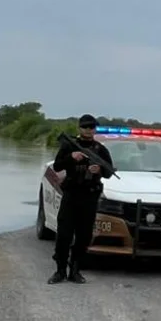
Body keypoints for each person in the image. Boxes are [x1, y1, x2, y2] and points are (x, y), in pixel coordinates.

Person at [49, 114, 114, 285]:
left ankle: (75, 270)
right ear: (79, 128)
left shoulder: (100, 149)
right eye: (85, 127)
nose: (89, 130)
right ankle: (60, 270)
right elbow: (57, 166)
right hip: (71, 196)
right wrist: (71, 158)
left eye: (92, 127)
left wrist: (98, 170)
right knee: (64, 234)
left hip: (89, 197)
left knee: (84, 236)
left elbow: (109, 172)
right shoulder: (69, 146)